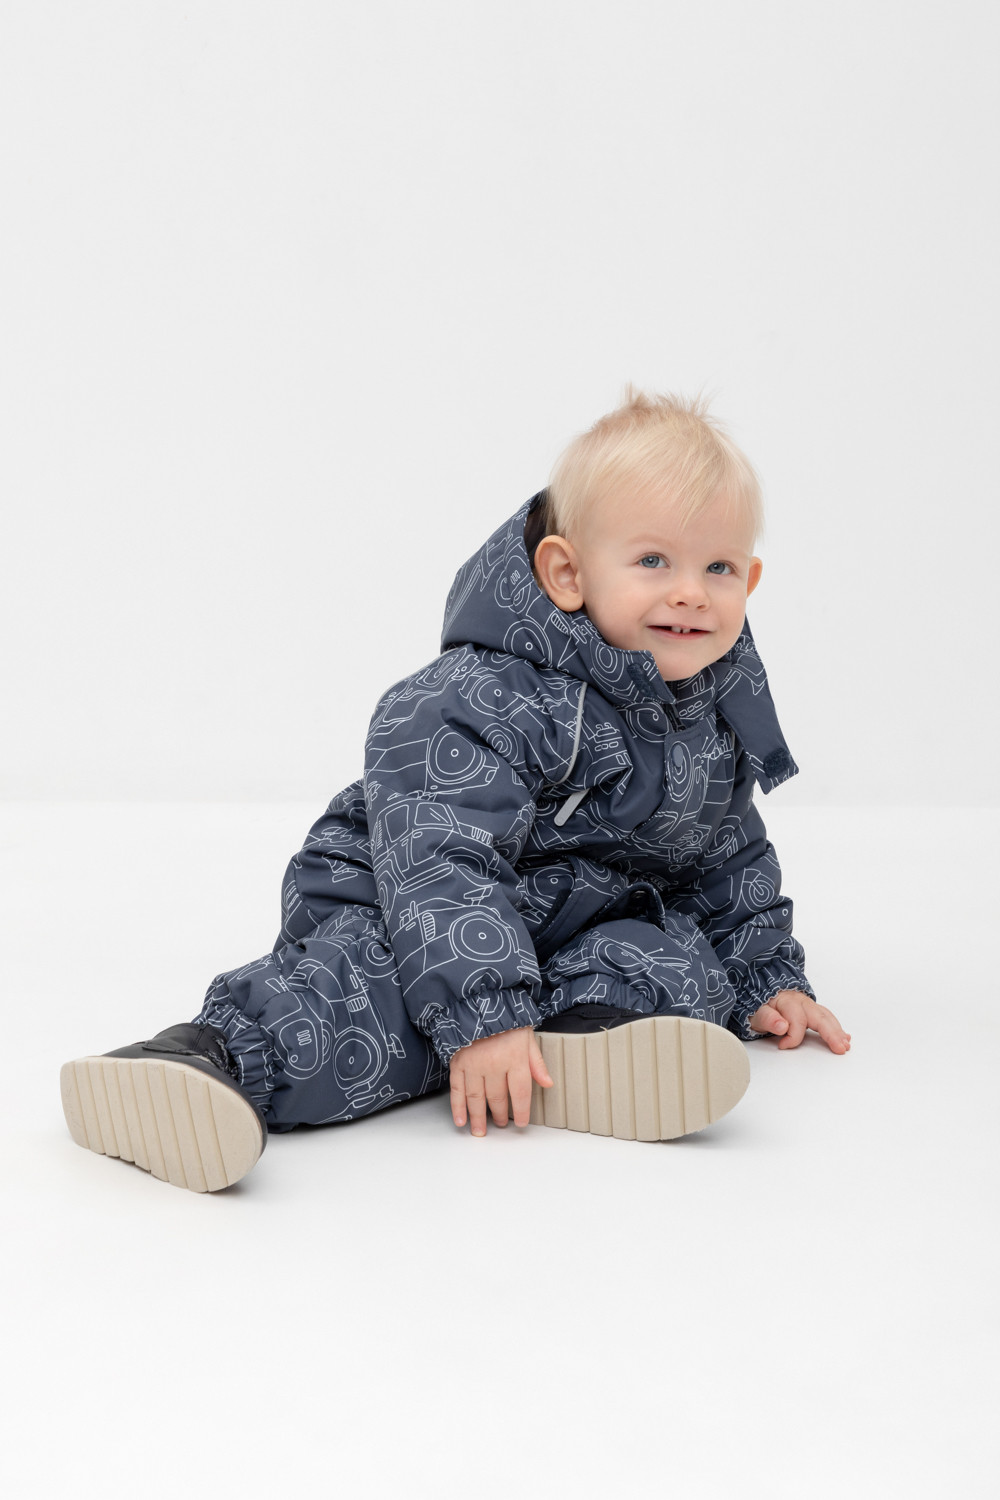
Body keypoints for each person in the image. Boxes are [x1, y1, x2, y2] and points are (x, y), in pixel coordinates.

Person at [60, 388, 850, 1192]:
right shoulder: (488, 697)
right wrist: (484, 1011)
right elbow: (440, 851)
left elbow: (724, 853)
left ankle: (584, 1030)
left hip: (561, 925)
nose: (690, 592)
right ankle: (207, 1062)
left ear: (750, 579)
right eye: (653, 561)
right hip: (406, 903)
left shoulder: (711, 716)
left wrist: (766, 974)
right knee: (372, 1014)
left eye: (718, 568)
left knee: (677, 965)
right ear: (567, 573)